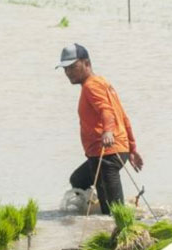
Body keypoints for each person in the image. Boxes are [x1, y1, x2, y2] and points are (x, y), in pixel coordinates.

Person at [57, 43, 144, 215]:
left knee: (114, 213)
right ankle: (94, 212)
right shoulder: (102, 82)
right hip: (110, 151)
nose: (68, 72)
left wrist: (108, 131)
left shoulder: (91, 86)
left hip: (107, 154)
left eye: (73, 67)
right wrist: (132, 148)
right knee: (78, 179)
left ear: (87, 63)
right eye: (65, 68)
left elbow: (107, 111)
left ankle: (124, 233)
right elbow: (123, 115)